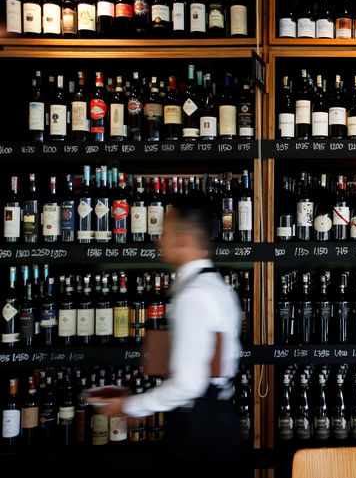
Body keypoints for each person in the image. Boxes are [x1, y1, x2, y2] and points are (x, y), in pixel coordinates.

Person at [90, 195, 243, 474]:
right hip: (220, 420)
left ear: (183, 239)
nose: (158, 240)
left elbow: (188, 384)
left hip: (199, 430)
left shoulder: (193, 296)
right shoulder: (217, 286)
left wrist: (131, 405)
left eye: (164, 233)